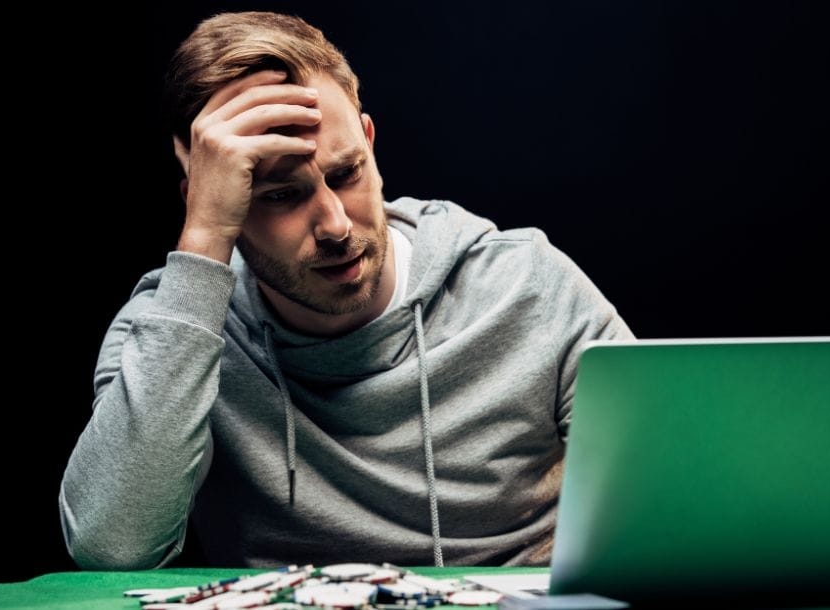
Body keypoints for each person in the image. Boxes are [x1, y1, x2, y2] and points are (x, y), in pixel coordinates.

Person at [60, 11, 633, 571]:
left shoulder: (523, 284)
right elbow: (113, 547)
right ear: (212, 198)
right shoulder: (173, 327)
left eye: (346, 174)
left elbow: (665, 494)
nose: (335, 226)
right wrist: (205, 238)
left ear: (368, 141)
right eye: (281, 195)